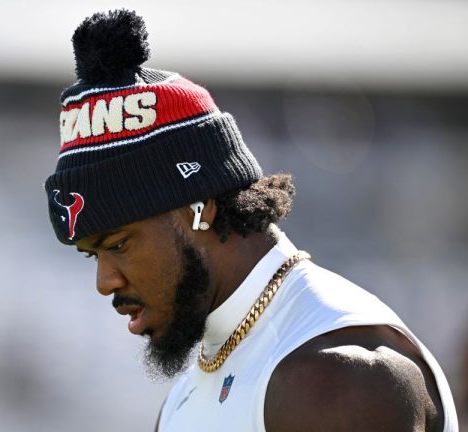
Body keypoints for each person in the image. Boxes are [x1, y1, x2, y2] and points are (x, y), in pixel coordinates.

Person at [43, 9, 458, 432]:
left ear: (199, 207)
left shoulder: (333, 379)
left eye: (117, 244)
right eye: (90, 254)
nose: (105, 281)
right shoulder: (194, 385)